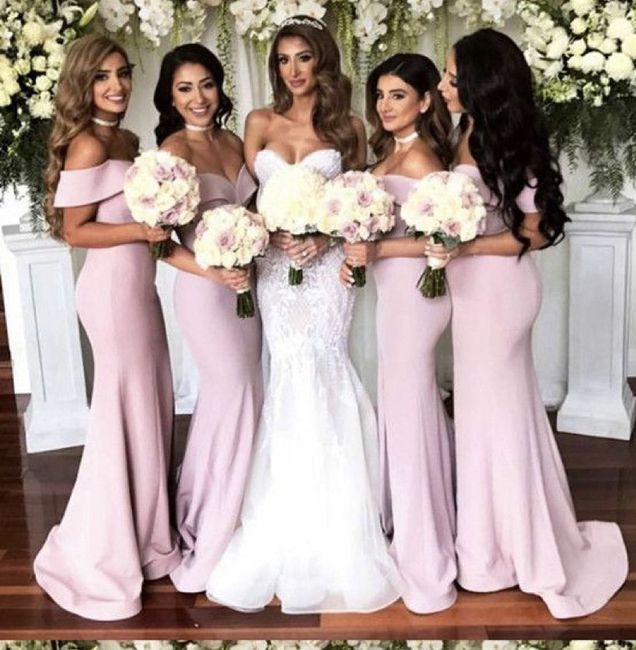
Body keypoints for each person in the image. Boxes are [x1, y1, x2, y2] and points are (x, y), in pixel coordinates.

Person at [206, 15, 402, 613]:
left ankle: (343, 520)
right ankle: (285, 512)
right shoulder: (258, 122)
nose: (293, 70)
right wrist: (266, 234)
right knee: (288, 369)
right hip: (274, 270)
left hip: (326, 271)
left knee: (326, 363)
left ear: (323, 62)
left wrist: (324, 238)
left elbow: (360, 206)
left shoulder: (349, 128)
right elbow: (250, 201)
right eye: (283, 60)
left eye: (304, 58)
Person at [433, 27, 628, 618]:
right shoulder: (463, 129)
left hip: (502, 291)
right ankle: (488, 540)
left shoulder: (513, 140)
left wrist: (465, 247)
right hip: (470, 290)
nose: (442, 87)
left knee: (495, 414)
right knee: (482, 412)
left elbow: (537, 233)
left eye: (452, 78)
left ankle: (509, 550)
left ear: (482, 84)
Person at [33, 33, 180, 620]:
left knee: (151, 405)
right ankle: (105, 546)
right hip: (111, 292)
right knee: (124, 411)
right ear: (83, 83)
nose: (117, 85)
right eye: (102, 77)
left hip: (139, 288)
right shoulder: (89, 144)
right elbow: (75, 231)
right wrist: (141, 231)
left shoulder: (128, 138)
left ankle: (145, 536)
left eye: (122, 73)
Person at [340, 52, 456, 614]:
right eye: (381, 95)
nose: (385, 106)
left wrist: (377, 250)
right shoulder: (390, 153)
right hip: (393, 296)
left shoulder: (424, 159)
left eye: (399, 96)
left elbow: (444, 236)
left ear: (426, 101)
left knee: (410, 411)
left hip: (417, 296)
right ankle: (411, 523)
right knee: (403, 406)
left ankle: (424, 552)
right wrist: (356, 255)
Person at [153, 43, 263, 593]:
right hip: (205, 292)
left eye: (206, 85)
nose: (198, 98)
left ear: (220, 88)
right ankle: (211, 520)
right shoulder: (170, 153)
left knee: (248, 393)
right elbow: (158, 243)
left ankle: (241, 510)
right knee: (232, 393)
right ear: (170, 98)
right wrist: (213, 271)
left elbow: (255, 210)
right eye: (185, 88)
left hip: (248, 289)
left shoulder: (233, 141)